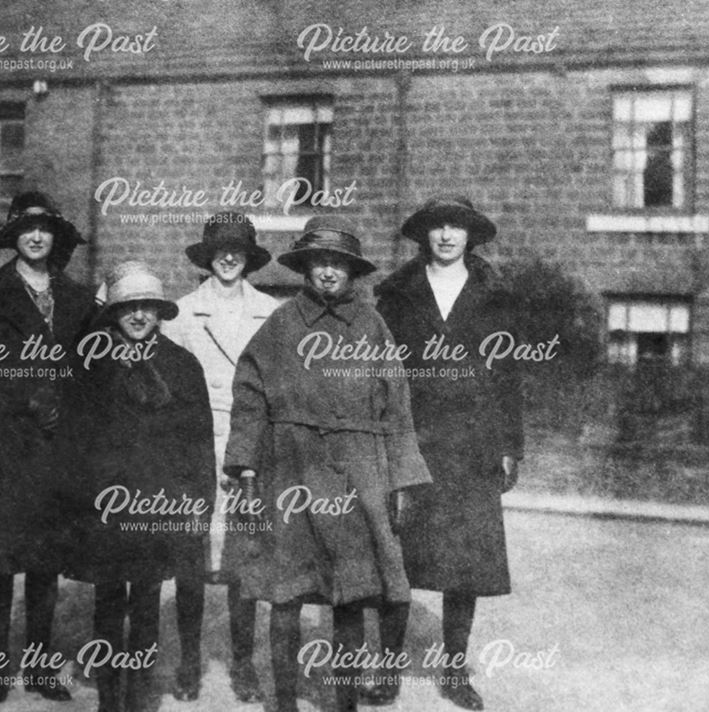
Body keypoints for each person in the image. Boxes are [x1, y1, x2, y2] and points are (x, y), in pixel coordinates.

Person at [224, 216, 431, 712]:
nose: (329, 273)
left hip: (358, 471)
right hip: (290, 468)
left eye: (339, 263)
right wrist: (246, 467)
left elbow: (397, 406)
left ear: (352, 271)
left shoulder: (372, 326)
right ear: (305, 268)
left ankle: (343, 701)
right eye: (320, 262)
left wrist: (401, 479)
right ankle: (285, 701)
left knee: (353, 594)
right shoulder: (280, 325)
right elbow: (250, 397)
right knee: (286, 593)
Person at [373, 196, 524, 711]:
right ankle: (387, 669)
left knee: (468, 563)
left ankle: (454, 671)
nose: (445, 236)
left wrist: (510, 445)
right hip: (412, 438)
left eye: (456, 227)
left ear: (470, 236)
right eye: (436, 227)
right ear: (423, 235)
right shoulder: (395, 293)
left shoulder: (494, 295)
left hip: (473, 442)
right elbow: (381, 371)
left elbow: (508, 374)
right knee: (399, 557)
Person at [0, 191, 94, 704]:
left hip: (58, 448)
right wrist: (28, 395)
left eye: (45, 229)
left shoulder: (78, 301)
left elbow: (90, 369)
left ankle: (38, 667)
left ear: (56, 237)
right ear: (13, 237)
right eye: (27, 229)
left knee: (44, 559)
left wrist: (69, 404)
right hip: (2, 447)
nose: (36, 237)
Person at [69, 261, 216, 712]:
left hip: (159, 504)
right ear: (113, 312)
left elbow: (198, 442)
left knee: (148, 603)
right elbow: (75, 439)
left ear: (160, 312)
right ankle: (110, 700)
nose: (138, 317)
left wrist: (197, 504)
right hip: (107, 505)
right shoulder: (92, 364)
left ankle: (140, 698)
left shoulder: (180, 365)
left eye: (147, 308)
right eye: (128, 308)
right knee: (109, 603)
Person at [161, 211, 278, 702]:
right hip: (196, 444)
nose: (228, 257)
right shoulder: (183, 313)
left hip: (249, 445)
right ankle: (189, 662)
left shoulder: (272, 313)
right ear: (207, 257)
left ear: (249, 258)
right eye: (219, 249)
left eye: (238, 250)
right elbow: (166, 386)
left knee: (244, 558)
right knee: (192, 557)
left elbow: (277, 386)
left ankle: (243, 663)